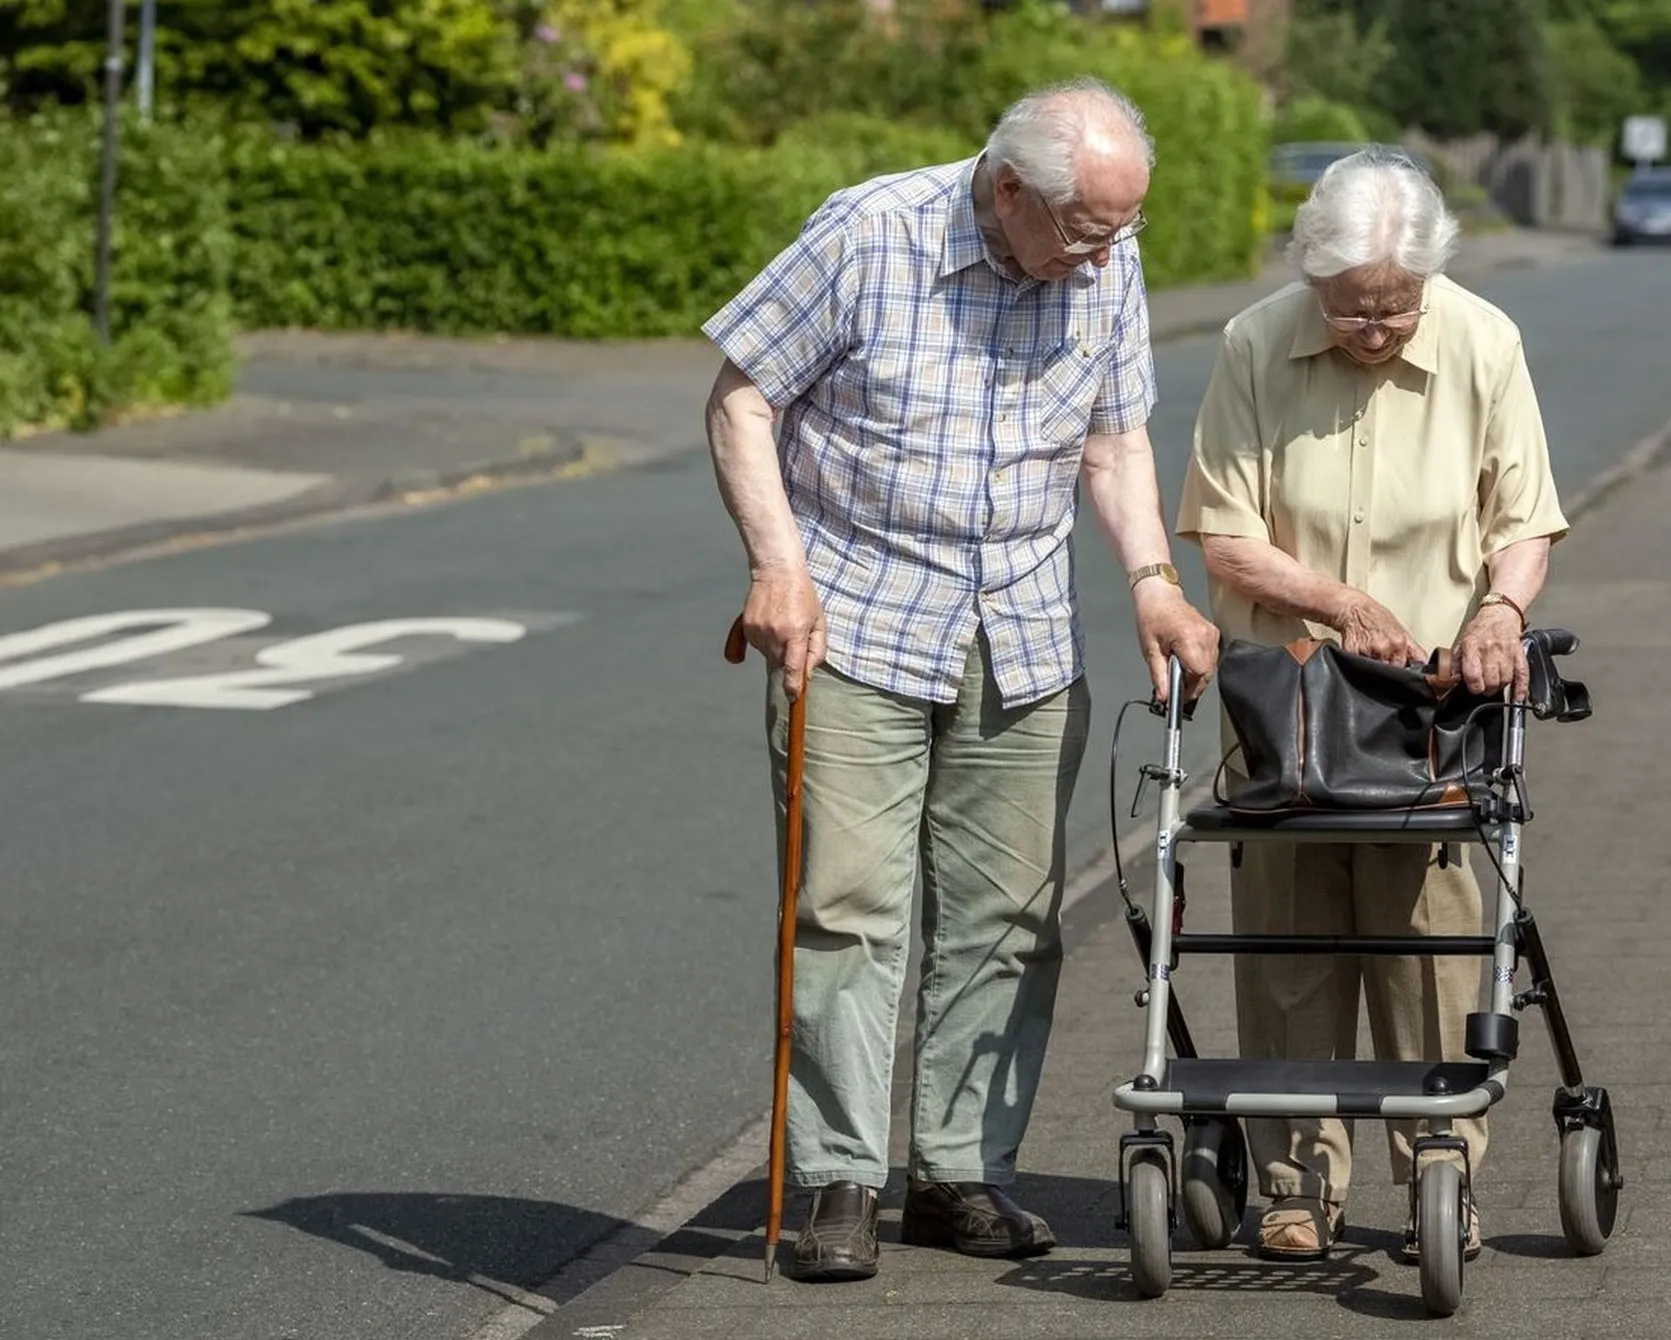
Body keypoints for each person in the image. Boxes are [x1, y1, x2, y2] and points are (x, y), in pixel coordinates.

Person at [701, 77, 1219, 1281]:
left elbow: (1117, 434)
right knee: (849, 909)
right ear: (1007, 191)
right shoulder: (869, 232)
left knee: (1007, 921)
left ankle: (958, 1171)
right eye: (1085, 230)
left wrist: (1149, 573)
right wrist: (777, 565)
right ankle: (840, 1176)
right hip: (858, 624)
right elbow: (741, 395)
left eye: (1123, 230)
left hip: (1026, 636)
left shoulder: (1103, 264)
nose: (1104, 257)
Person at [1175, 146, 1569, 1263]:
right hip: (1288, 691)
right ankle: (1298, 1181)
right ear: (1314, 278)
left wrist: (1501, 609)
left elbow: (1524, 517)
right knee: (1291, 934)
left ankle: (1440, 1161)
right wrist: (1336, 599)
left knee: (1428, 940)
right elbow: (1224, 529)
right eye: (1352, 306)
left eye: (1395, 305)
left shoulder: (1485, 341)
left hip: (1429, 701)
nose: (1375, 326)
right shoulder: (1255, 341)